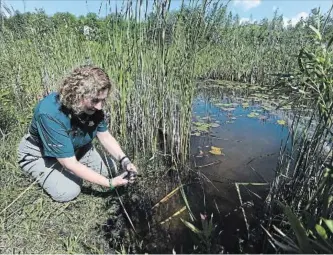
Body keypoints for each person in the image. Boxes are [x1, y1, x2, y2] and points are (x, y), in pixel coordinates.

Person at [17, 65, 137, 202]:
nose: (100, 106)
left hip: (77, 148)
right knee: (68, 191)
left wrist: (124, 160)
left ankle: (76, 168)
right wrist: (108, 183)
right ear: (78, 95)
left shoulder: (94, 109)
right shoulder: (49, 113)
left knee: (110, 169)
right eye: (95, 100)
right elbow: (70, 163)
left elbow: (105, 136)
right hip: (40, 153)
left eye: (103, 100)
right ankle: (35, 166)